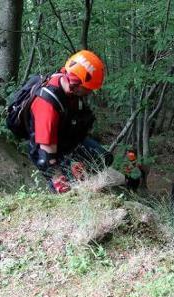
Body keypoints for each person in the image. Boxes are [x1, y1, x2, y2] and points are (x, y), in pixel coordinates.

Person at [28, 50, 113, 193]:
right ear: (76, 82)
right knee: (66, 189)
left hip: (66, 138)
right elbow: (47, 153)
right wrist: (58, 179)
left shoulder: (71, 91)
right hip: (46, 148)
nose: (90, 92)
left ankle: (82, 177)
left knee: (104, 158)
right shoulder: (47, 103)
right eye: (88, 88)